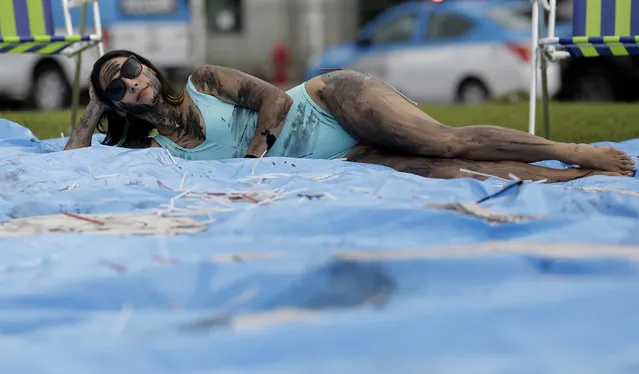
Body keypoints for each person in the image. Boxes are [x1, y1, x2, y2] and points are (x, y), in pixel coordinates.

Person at [65, 50, 636, 183]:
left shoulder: (204, 81)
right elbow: (75, 170)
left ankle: (574, 151)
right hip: (335, 157)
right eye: (116, 84)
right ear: (116, 103)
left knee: (443, 144)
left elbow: (276, 101)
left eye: (132, 67)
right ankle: (571, 180)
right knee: (451, 176)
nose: (131, 79)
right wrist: (91, 114)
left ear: (149, 69)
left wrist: (256, 153)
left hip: (329, 100)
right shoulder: (149, 148)